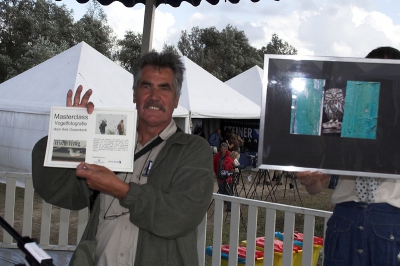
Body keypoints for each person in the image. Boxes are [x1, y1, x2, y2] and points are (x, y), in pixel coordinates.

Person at [31, 52, 214, 266]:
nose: (154, 96)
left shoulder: (192, 149)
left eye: (164, 88)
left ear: (176, 99)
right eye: (146, 87)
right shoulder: (109, 142)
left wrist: (121, 189)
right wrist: (71, 133)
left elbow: (181, 216)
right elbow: (54, 188)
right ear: (135, 95)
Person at [296, 46, 400, 266]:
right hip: (345, 221)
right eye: (376, 74)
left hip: (390, 226)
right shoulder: (344, 122)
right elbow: (316, 187)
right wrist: (309, 179)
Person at [213, 142, 235, 212]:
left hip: (228, 177)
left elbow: (233, 164)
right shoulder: (217, 155)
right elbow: (214, 163)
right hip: (219, 175)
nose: (223, 149)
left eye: (225, 148)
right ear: (220, 148)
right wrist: (214, 171)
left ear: (227, 149)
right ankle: (220, 206)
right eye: (222, 148)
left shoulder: (229, 155)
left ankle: (229, 207)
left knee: (228, 192)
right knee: (221, 191)